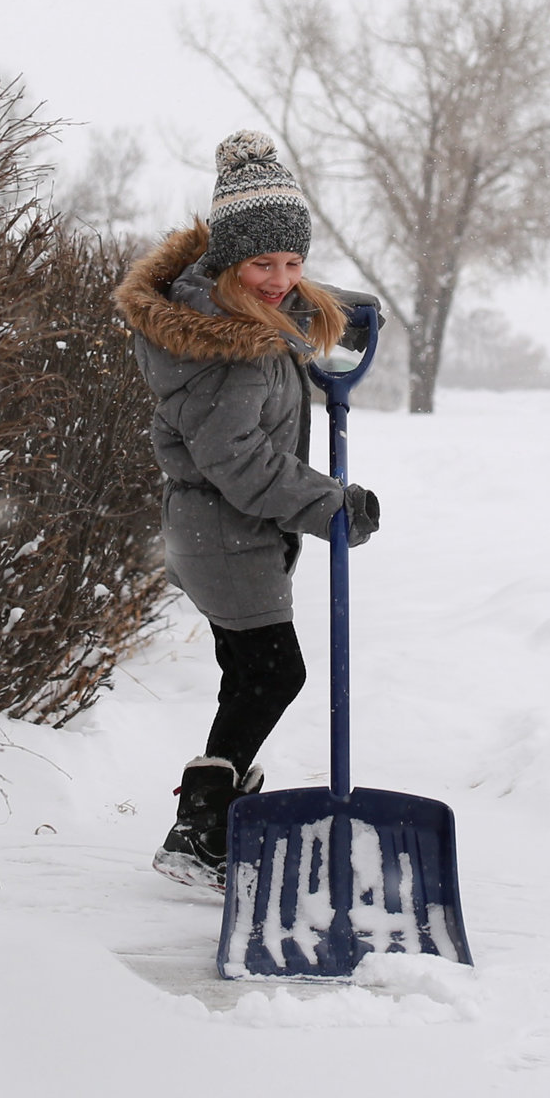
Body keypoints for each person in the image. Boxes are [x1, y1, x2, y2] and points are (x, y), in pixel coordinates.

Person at [111, 130, 383, 887]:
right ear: (228, 261)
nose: (280, 280)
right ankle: (201, 825)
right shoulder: (236, 348)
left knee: (248, 671)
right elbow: (240, 462)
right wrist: (330, 504)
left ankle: (215, 811)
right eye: (263, 263)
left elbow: (285, 307)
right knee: (277, 671)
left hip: (212, 533)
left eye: (293, 263)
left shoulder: (237, 313)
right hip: (228, 535)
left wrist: (327, 309)